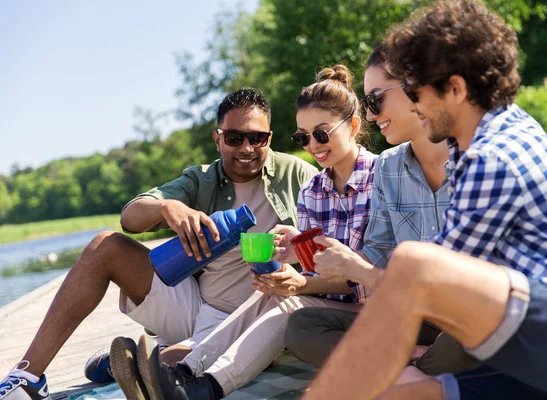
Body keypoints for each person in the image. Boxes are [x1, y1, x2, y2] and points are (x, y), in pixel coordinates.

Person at [304, 1, 547, 399]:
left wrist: (358, 275)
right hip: (534, 340)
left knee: (415, 263)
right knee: (401, 392)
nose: (412, 104)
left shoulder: (493, 157)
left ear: (456, 89)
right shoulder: (486, 141)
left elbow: (428, 281)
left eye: (415, 91)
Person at [0, 87, 318, 400]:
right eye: (234, 138)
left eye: (257, 138)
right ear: (217, 138)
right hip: (195, 305)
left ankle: (142, 357)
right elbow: (129, 218)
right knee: (105, 246)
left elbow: (331, 241)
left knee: (167, 371)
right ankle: (27, 377)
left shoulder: (299, 175)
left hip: (260, 316)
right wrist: (168, 207)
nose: (246, 148)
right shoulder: (200, 179)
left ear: (270, 139)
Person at [110, 64, 379, 400]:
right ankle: (183, 374)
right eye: (302, 137)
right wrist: (295, 267)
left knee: (285, 305)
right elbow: (320, 270)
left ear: (354, 126)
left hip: (377, 304)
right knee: (272, 296)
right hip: (325, 305)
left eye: (321, 134)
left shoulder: (383, 179)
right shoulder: (312, 190)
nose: (312, 145)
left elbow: (370, 270)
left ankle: (201, 388)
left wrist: (302, 282)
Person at [284, 44, 479, 381]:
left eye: (376, 100)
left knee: (468, 339)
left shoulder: (477, 157)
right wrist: (336, 258)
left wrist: (355, 269)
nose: (373, 115)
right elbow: (380, 249)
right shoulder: (389, 166)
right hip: (413, 316)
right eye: (304, 137)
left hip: (468, 314)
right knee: (301, 327)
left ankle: (403, 371)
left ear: (416, 88)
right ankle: (414, 369)